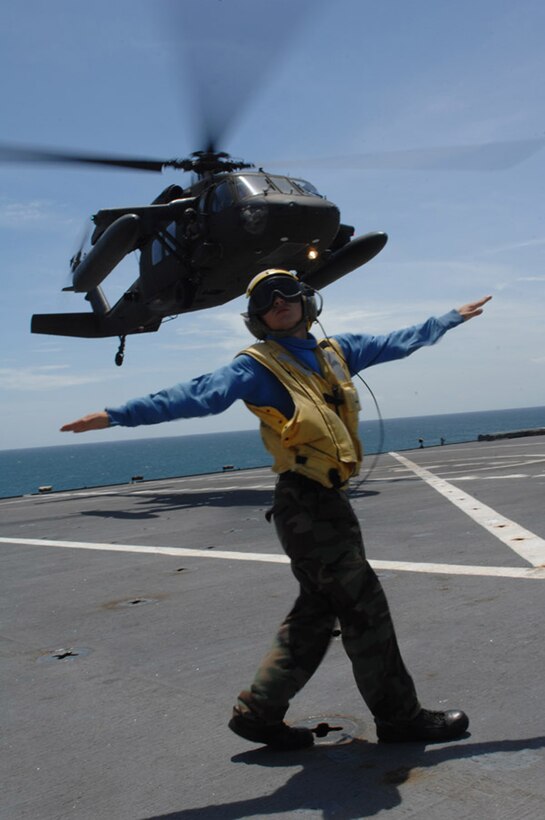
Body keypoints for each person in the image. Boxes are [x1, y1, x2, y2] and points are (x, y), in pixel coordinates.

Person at [61, 269, 492, 750]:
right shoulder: (257, 367)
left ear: (308, 303)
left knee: (315, 613)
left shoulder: (338, 352)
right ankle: (400, 718)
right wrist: (118, 415)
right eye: (266, 298)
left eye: (288, 291)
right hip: (307, 505)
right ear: (257, 318)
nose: (279, 301)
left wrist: (449, 319)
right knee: (365, 608)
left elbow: (400, 340)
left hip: (326, 504)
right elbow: (196, 394)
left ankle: (258, 714)